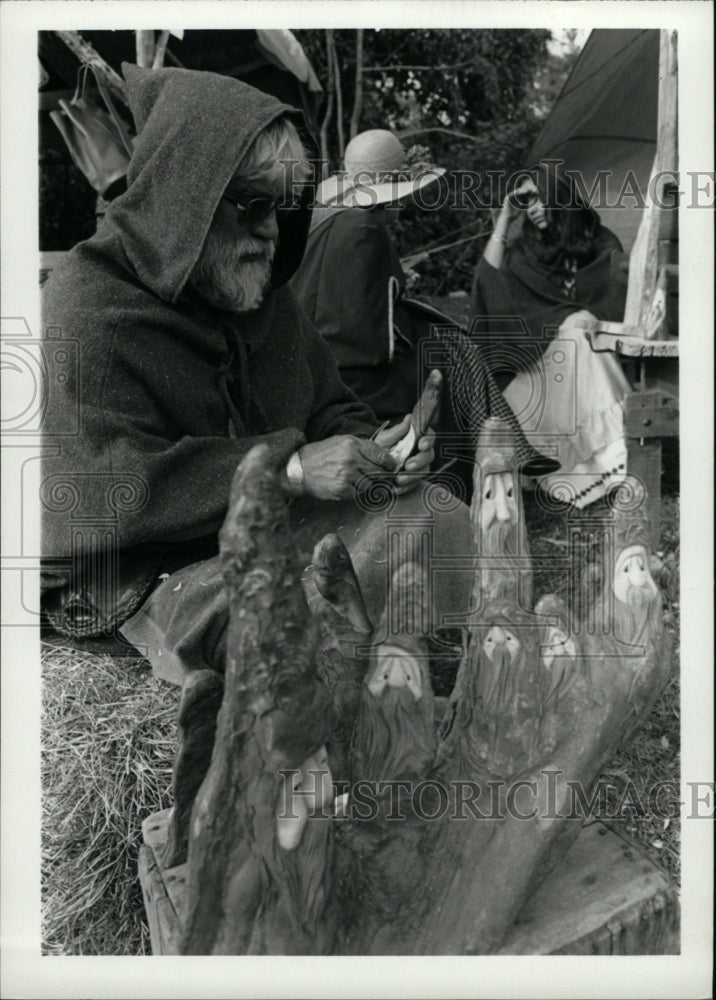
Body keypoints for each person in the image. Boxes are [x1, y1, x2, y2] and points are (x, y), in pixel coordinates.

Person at [40, 65, 474, 684]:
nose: (271, 229)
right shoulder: (86, 312)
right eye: (252, 205)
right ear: (184, 197)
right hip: (147, 570)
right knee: (287, 626)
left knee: (433, 515)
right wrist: (292, 470)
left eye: (286, 205)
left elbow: (328, 406)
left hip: (264, 529)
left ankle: (433, 693)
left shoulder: (257, 293)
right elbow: (108, 495)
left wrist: (380, 448)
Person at [292, 129, 559, 496]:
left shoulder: (320, 216)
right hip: (352, 369)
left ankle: (511, 452)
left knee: (451, 341)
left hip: (305, 354)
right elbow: (370, 340)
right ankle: (492, 466)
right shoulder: (366, 228)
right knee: (456, 352)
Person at [470, 161, 632, 506]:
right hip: (540, 358)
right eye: (528, 201)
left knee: (582, 341)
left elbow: (616, 299)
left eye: (540, 198)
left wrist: (585, 318)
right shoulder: (526, 251)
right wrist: (504, 218)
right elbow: (487, 279)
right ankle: (582, 476)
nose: (535, 209)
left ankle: (614, 465)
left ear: (559, 196)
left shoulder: (599, 240)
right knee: (564, 351)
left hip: (596, 349)